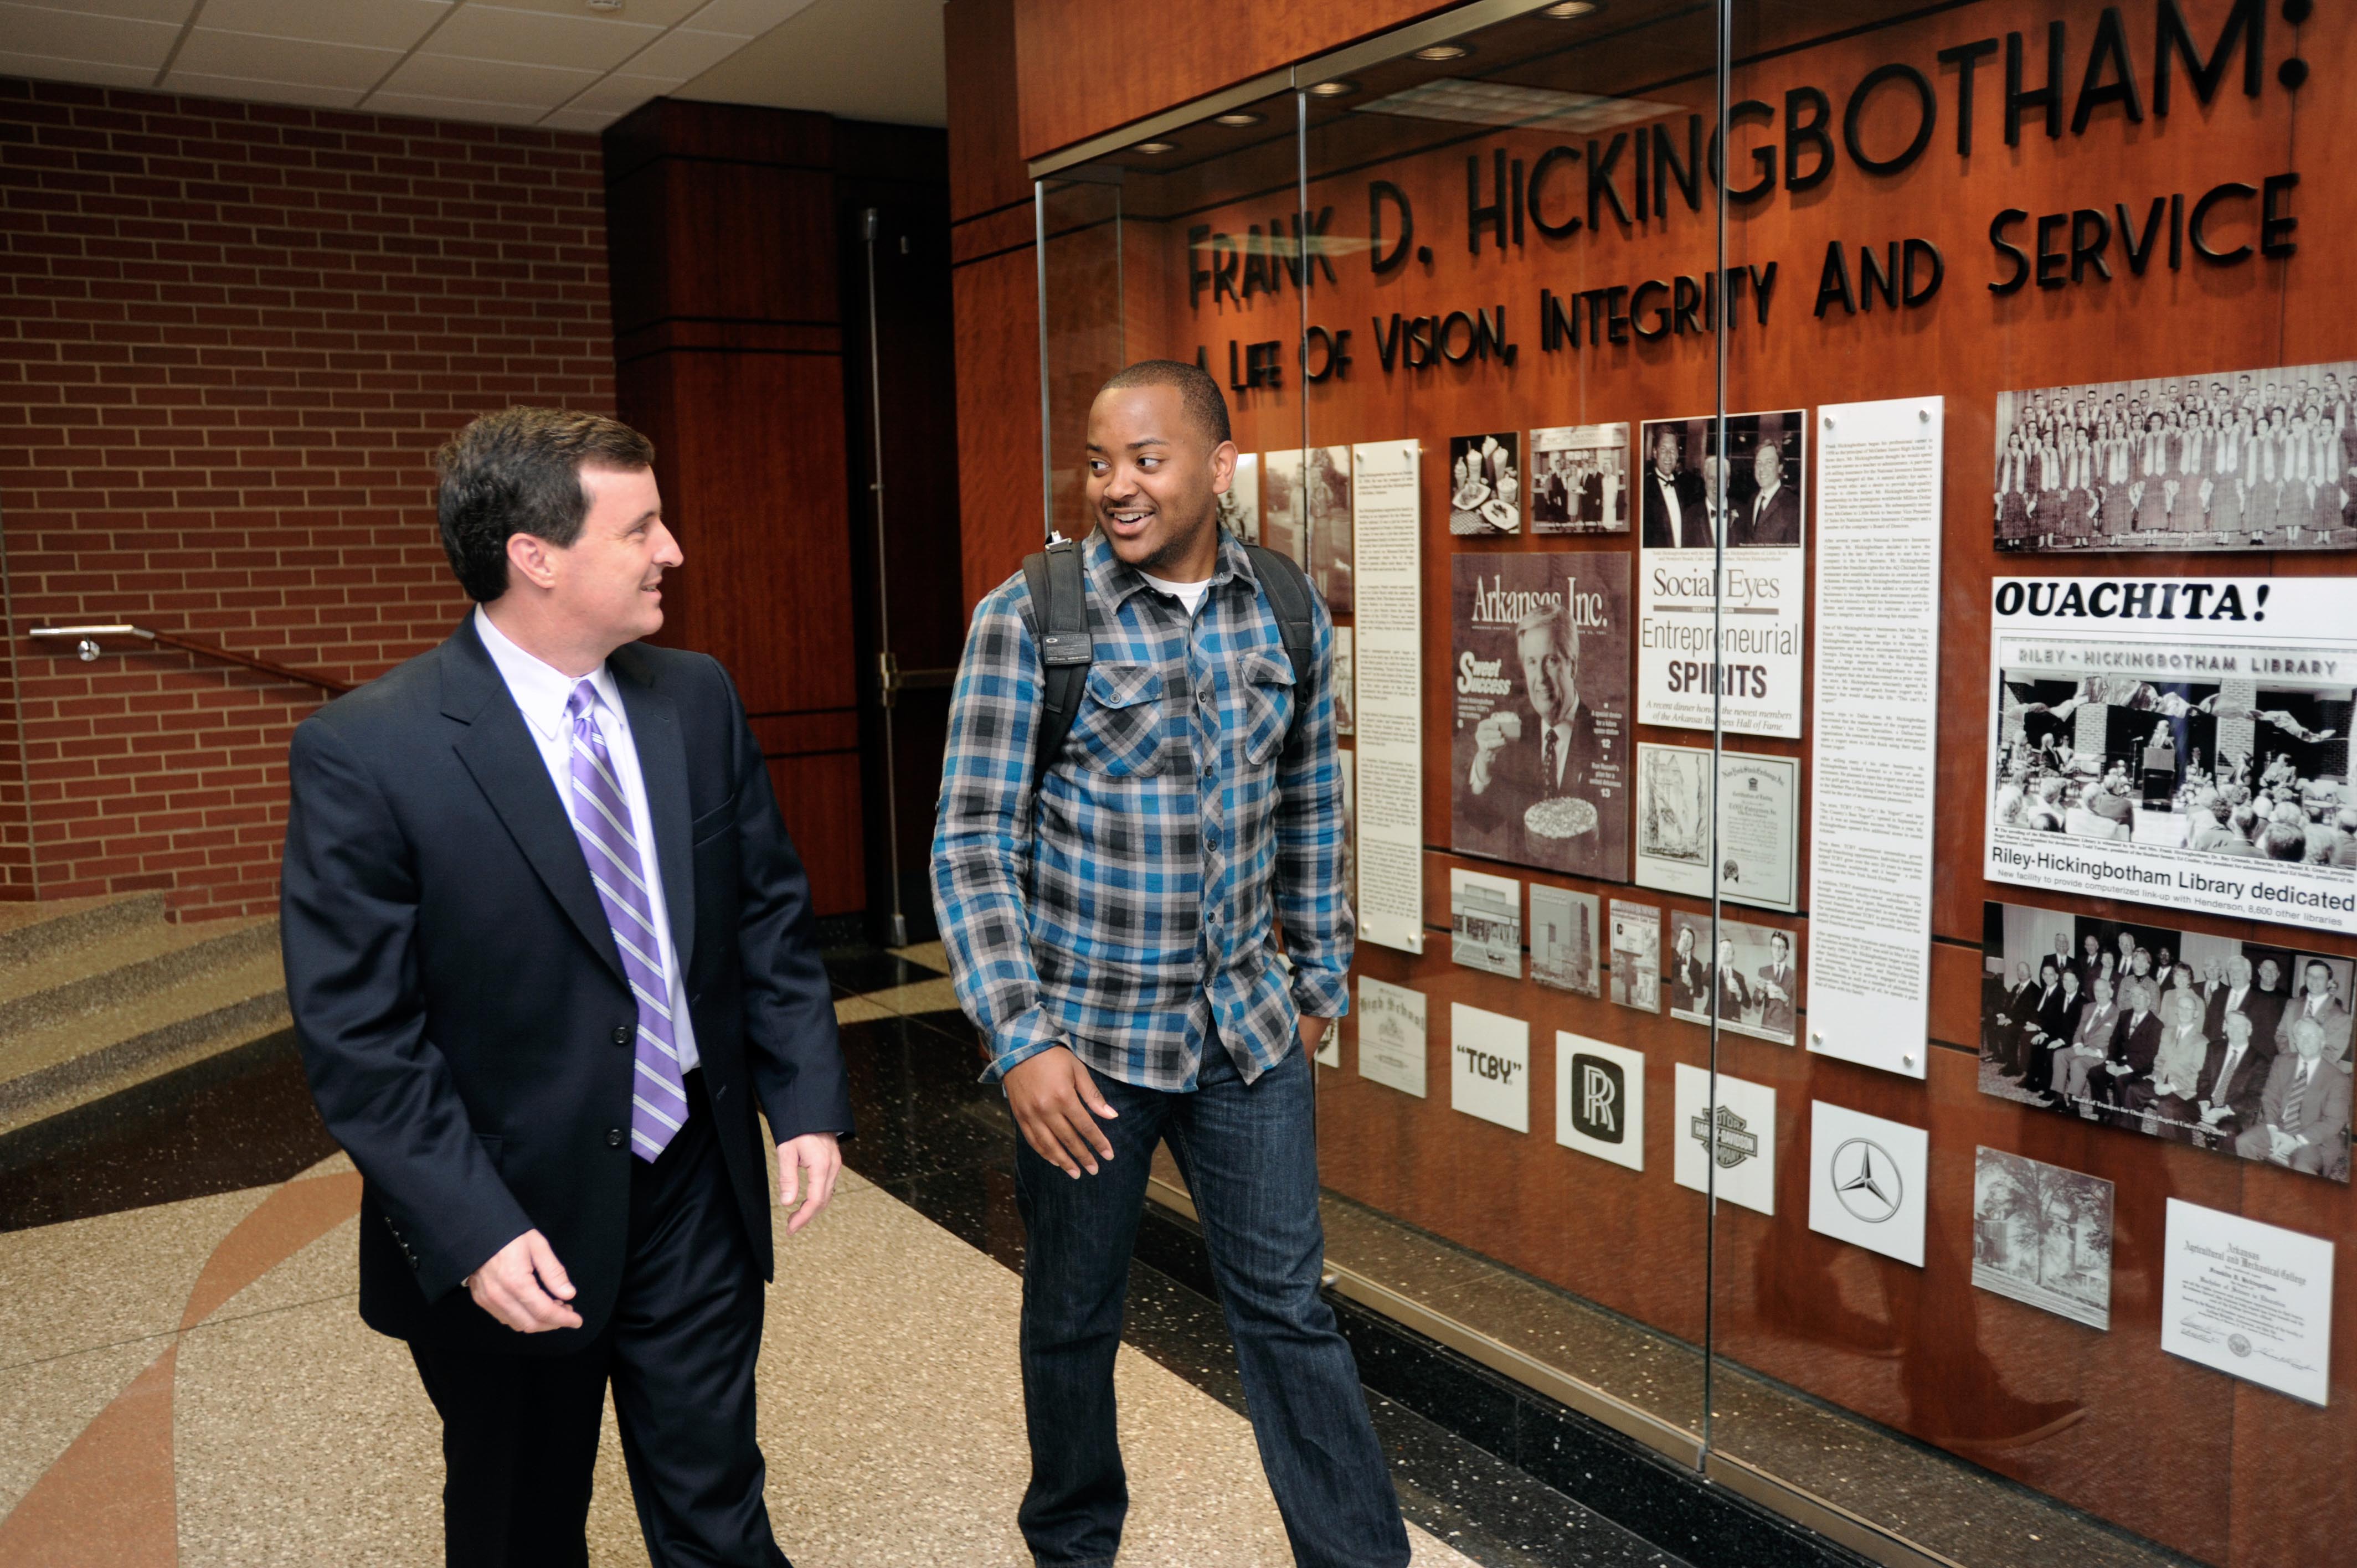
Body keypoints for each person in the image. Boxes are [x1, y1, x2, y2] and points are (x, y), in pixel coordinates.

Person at [280, 408, 851, 1567]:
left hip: (691, 1176)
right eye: (640, 527)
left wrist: (803, 1097)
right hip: (511, 1216)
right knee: (519, 1524)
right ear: (534, 558)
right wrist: (475, 1230)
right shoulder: (369, 753)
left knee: (718, 1508)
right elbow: (361, 1039)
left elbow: (766, 918)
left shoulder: (696, 699)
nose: (673, 551)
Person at [930, 359, 1409, 1568]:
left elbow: (1312, 811)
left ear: (1218, 467)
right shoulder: (1032, 618)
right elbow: (971, 842)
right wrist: (1020, 1038)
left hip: (1246, 1041)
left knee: (1290, 1316)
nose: (1116, 488)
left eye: (1145, 460)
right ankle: (1074, 1550)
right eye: (1098, 463)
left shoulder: (1288, 611)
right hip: (1084, 1051)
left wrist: (1317, 988)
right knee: (1073, 1320)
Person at [1460, 599, 1620, 875]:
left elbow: (1616, 843)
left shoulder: (1610, 739)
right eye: (1532, 663)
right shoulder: (1512, 733)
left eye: (1552, 661)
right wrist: (1483, 765)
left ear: (1573, 666)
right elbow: (1481, 820)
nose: (1541, 678)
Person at [2235, 1017, 2353, 1175]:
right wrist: (2273, 1130)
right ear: (2295, 1041)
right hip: (2279, 1127)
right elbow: (2270, 1098)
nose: (2306, 1040)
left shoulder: (2337, 1078)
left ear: (2323, 1041)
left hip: (2313, 1140)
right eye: (2301, 1035)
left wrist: (2297, 1141)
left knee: (2302, 1168)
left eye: (2311, 1036)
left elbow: (2334, 1121)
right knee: (2244, 1142)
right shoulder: (2282, 1062)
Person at [2193, 1010, 2271, 1149]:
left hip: (2234, 1113)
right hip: (2208, 1104)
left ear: (2249, 1030)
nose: (2234, 1029)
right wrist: (2204, 1104)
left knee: (2228, 1131)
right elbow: (2204, 1079)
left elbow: (2255, 1097)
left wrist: (2223, 1111)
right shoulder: (2214, 1048)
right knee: (2171, 1107)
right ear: (2225, 1028)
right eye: (2230, 1025)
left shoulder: (2260, 1062)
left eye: (2240, 1026)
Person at [2054, 974, 2122, 1110]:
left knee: (2077, 1062)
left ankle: (2074, 1105)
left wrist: (2096, 1052)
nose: (2099, 994)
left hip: (2098, 1054)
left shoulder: (2118, 1014)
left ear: (2111, 992)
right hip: (2082, 1048)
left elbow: (2117, 1044)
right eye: (2096, 991)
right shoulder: (2088, 1007)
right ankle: (2059, 1098)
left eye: (2103, 991)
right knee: (2059, 1054)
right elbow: (2079, 1031)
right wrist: (2078, 1045)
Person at [2276, 959, 2354, 1069]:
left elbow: (2332, 1051)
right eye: (2310, 975)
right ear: (2306, 978)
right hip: (2288, 1067)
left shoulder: (2341, 1017)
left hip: (2318, 1074)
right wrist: (2292, 1061)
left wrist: (2304, 1067)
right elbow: (2282, 1035)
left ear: (2329, 982)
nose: (2314, 980)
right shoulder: (2292, 1004)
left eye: (2320, 977)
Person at [1641, 425, 1710, 548]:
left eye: (1673, 450)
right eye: (1663, 449)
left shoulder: (1686, 488)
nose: (1668, 455)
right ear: (1655, 453)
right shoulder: (1644, 490)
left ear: (1678, 454)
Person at [1738, 439, 1799, 545]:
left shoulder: (1793, 505)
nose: (1762, 469)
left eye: (1769, 463)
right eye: (1759, 463)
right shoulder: (1751, 501)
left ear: (1780, 468)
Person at [1756, 932, 1798, 1041]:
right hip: (1767, 1026)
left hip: (1785, 1029)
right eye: (1775, 946)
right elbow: (1756, 1001)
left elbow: (1799, 1008)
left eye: (1781, 947)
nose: (1777, 950)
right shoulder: (1763, 971)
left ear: (1787, 951)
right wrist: (1761, 992)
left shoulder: (1795, 975)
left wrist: (1786, 998)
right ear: (1771, 949)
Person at [1668, 923, 1708, 1016]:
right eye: (1683, 936)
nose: (1686, 939)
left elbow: (1700, 993)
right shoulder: (1670, 954)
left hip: (1687, 1010)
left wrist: (1691, 985)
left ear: (1693, 943)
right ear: (1679, 939)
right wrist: (1678, 952)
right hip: (1670, 1006)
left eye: (1689, 937)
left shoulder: (1698, 965)